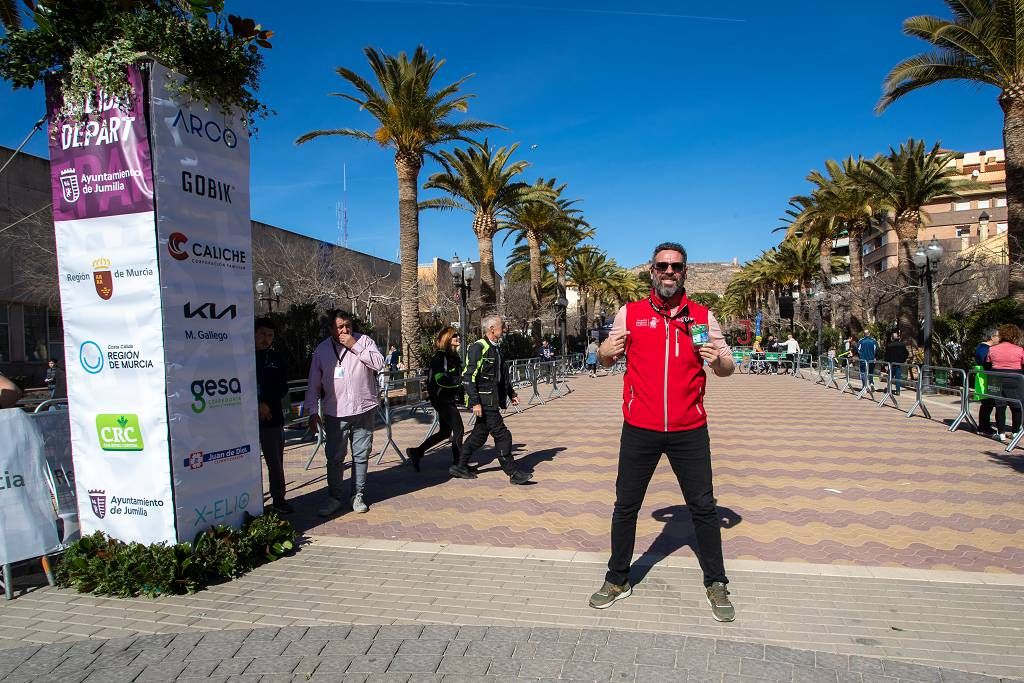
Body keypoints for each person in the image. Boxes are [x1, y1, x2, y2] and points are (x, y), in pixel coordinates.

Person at [588, 241, 736, 623]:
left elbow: (726, 368)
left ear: (685, 272)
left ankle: (716, 581)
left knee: (703, 506)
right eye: (662, 266)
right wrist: (603, 350)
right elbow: (605, 360)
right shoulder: (631, 314)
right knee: (626, 505)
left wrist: (718, 359)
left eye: (676, 267)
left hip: (690, 428)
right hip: (640, 427)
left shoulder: (702, 317)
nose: (669, 273)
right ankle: (618, 578)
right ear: (652, 271)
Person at [304, 310, 386, 516]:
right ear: (331, 328)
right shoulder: (322, 350)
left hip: (363, 409)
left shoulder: (364, 341)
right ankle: (334, 498)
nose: (345, 330)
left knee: (361, 454)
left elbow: (379, 363)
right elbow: (313, 384)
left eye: (347, 325)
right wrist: (312, 411)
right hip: (336, 412)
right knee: (334, 457)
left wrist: (354, 346)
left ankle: (357, 495)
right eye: (340, 327)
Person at [451, 314, 532, 484]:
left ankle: (460, 465)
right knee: (503, 435)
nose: (504, 329)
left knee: (479, 436)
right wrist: (475, 402)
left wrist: (512, 393)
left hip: (492, 400)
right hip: (484, 401)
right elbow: (469, 377)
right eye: (502, 326)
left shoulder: (496, 348)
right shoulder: (478, 348)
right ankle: (512, 473)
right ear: (491, 329)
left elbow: (501, 376)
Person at [406, 328, 464, 471]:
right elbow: (440, 379)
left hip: (448, 398)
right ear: (447, 339)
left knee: (445, 432)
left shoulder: (454, 357)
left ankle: (417, 452)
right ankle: (459, 464)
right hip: (442, 399)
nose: (458, 337)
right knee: (459, 430)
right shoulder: (440, 357)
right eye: (454, 336)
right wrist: (460, 381)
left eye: (458, 335)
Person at [255, 318, 292, 514]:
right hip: (249, 421)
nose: (266, 339)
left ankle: (279, 499)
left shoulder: (277, 358)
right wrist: (257, 403)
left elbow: (282, 387)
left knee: (276, 463)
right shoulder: (244, 358)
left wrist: (266, 404)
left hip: (273, 419)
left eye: (270, 335)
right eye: (262, 334)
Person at [983, 324, 1024, 442]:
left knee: (1000, 406)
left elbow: (987, 364)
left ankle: (1000, 433)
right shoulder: (1020, 349)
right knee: (1016, 406)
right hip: (1015, 378)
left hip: (996, 378)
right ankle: (1016, 432)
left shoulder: (992, 349)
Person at [976, 328, 1001, 437]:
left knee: (987, 404)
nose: (999, 338)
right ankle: (984, 427)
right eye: (998, 336)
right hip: (987, 379)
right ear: (992, 337)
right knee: (987, 404)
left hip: (985, 378)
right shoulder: (984, 349)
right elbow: (986, 363)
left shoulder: (983, 347)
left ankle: (984, 426)